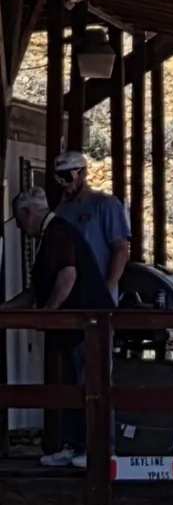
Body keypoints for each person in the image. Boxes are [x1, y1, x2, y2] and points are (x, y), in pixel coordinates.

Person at [6, 188, 114, 468]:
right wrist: (4, 309)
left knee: (88, 384)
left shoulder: (58, 232)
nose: (19, 226)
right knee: (69, 385)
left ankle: (98, 450)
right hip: (71, 329)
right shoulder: (47, 237)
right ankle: (74, 445)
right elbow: (35, 291)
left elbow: (68, 276)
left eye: (19, 219)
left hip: (87, 326)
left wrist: (48, 314)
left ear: (29, 213)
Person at [53, 150, 130, 303]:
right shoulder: (60, 211)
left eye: (68, 177)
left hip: (97, 294)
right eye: (59, 177)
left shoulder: (107, 205)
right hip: (70, 295)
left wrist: (108, 288)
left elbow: (121, 249)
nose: (64, 183)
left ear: (82, 174)